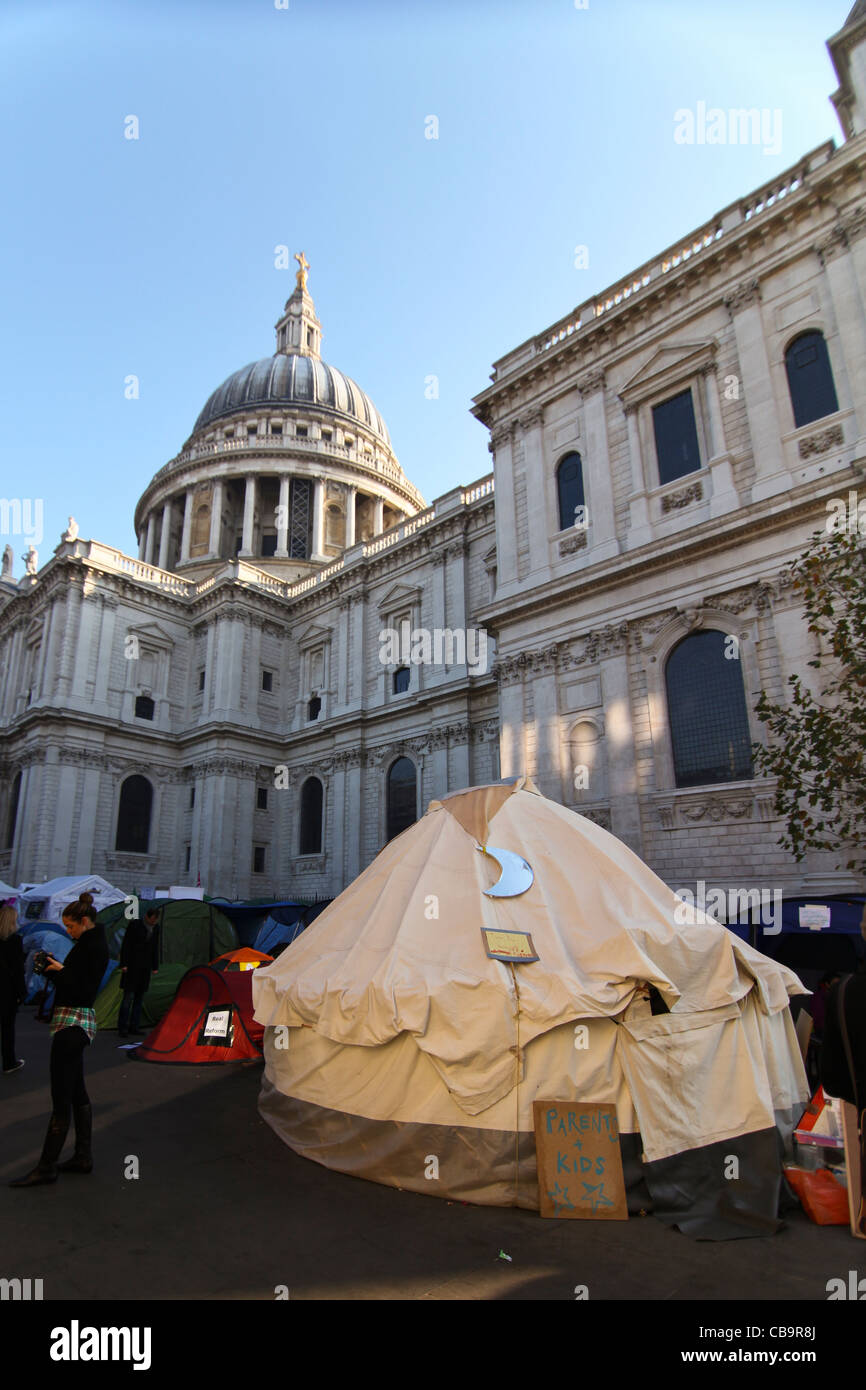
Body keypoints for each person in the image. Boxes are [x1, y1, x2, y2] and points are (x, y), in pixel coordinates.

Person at [9, 891, 108, 1187]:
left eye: (71, 926)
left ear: (85, 921)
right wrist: (57, 969)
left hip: (72, 1023)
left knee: (61, 1096)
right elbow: (78, 980)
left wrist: (55, 972)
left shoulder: (91, 948)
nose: (68, 931)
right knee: (76, 1091)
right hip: (76, 1023)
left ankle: (47, 1165)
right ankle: (83, 1155)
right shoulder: (92, 944)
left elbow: (80, 988)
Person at [118, 907, 160, 1037]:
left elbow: (155, 947)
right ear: (147, 917)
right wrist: (124, 963)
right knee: (128, 998)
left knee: (139, 998)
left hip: (145, 967)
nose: (154, 922)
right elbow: (126, 944)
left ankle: (134, 1026)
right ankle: (123, 1027)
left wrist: (154, 966)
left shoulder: (156, 929)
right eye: (153, 919)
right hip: (132, 965)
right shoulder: (135, 925)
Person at [0, 903, 26, 1074]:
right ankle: (9, 1062)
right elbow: (17, 970)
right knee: (7, 1028)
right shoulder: (15, 940)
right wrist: (21, 992)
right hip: (7, 990)